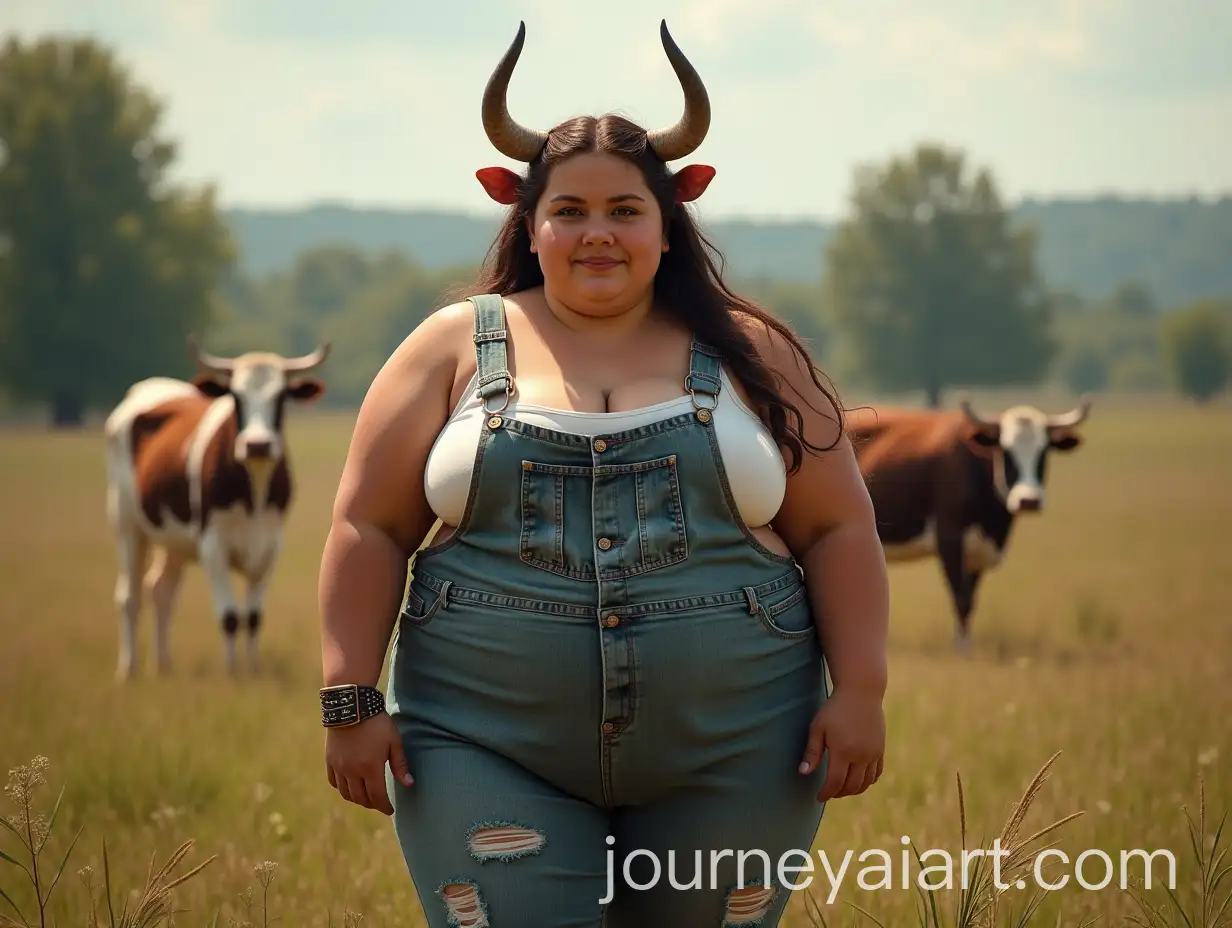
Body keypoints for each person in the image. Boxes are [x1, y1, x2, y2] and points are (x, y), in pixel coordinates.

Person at [317, 19, 889, 928]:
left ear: (673, 218)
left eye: (626, 210)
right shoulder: (449, 347)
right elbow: (367, 527)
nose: (597, 235)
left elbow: (838, 529)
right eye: (569, 211)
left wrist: (860, 693)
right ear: (524, 216)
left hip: (743, 751)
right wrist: (350, 698)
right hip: (479, 745)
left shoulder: (757, 355)